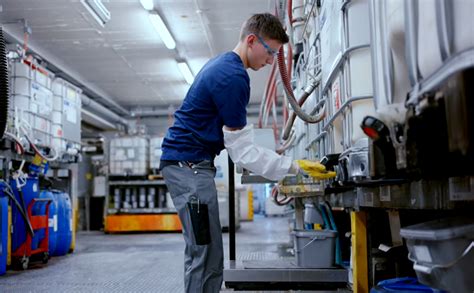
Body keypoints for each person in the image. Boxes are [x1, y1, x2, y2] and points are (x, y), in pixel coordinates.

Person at [160, 13, 334, 293]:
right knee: (204, 254)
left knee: (207, 253)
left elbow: (236, 140)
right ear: (252, 40)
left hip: (189, 166)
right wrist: (293, 166)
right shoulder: (233, 77)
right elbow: (242, 152)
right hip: (188, 168)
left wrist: (277, 157)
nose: (269, 62)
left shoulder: (224, 66)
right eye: (270, 53)